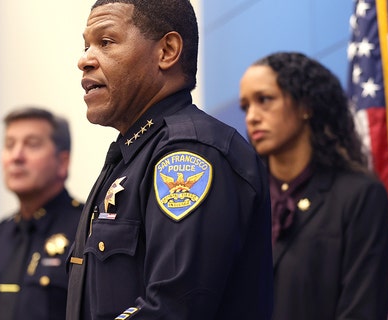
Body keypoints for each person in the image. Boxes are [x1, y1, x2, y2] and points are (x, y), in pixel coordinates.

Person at [65, 1, 273, 319]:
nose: (84, 60)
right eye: (86, 46)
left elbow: (174, 307)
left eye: (105, 42)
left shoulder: (189, 154)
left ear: (167, 51)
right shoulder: (129, 157)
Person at [239, 51, 388, 319]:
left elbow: (363, 308)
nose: (252, 117)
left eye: (264, 100)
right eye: (246, 106)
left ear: (305, 105)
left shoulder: (359, 195)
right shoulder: (242, 196)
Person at [0, 107, 83, 320]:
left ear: (63, 162)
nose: (16, 156)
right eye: (9, 145)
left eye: (32, 145)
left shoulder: (86, 231)